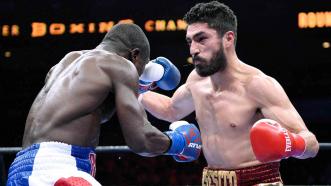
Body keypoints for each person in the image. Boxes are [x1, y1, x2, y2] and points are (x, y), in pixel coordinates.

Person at [138, 1, 319, 185]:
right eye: (190, 41)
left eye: (202, 39)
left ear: (228, 39)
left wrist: (291, 144)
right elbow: (171, 110)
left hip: (259, 181)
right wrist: (137, 90)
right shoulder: (196, 80)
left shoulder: (258, 85)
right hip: (211, 181)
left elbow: (311, 144)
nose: (193, 49)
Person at [6, 23, 202, 186]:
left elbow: (97, 114)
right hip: (59, 170)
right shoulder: (122, 65)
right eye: (139, 69)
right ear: (134, 55)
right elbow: (140, 140)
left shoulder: (65, 63)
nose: (136, 77)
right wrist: (178, 143)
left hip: (22, 169)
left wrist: (138, 88)